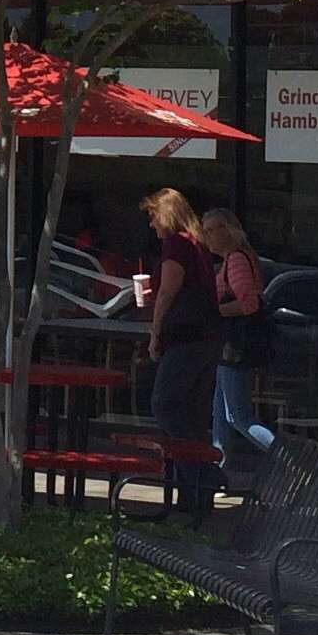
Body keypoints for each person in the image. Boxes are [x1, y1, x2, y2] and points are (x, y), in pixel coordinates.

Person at [136, 184, 224, 513]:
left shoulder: (176, 245)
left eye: (153, 216)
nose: (151, 225)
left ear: (166, 214)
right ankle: (194, 494)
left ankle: (202, 473)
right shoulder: (198, 244)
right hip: (208, 336)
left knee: (166, 405)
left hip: (185, 337)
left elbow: (168, 292)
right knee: (192, 411)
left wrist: (155, 332)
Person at [197, 205, 275, 490]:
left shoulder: (237, 261)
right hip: (227, 346)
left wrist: (212, 312)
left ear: (227, 230)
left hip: (235, 347)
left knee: (237, 416)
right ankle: (217, 472)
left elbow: (248, 304)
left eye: (210, 231)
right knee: (220, 413)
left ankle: (287, 459)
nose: (206, 238)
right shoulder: (233, 259)